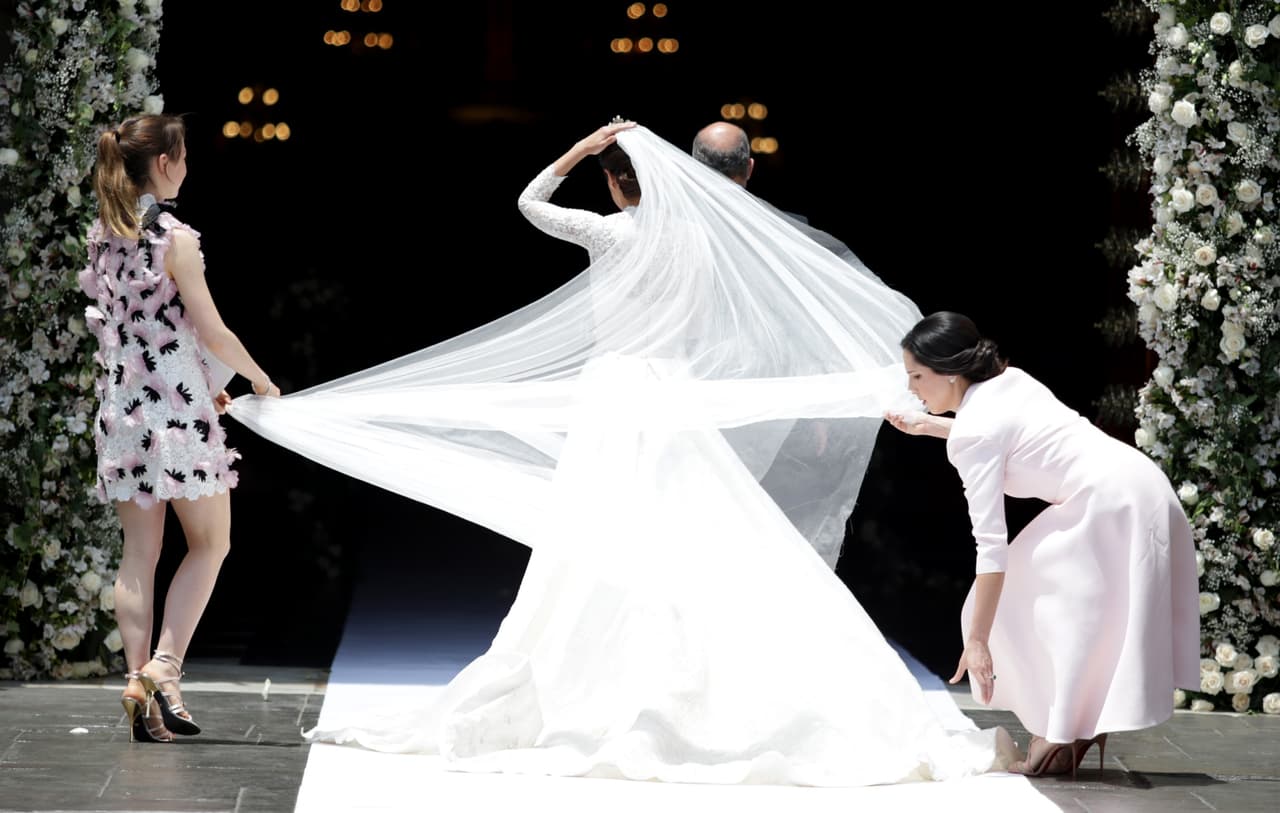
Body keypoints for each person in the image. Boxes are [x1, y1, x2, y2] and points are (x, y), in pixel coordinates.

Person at [229, 122, 1013, 785]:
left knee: (601, 550)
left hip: (614, 401)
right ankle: (694, 687)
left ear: (614, 184)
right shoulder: (710, 243)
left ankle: (612, 685)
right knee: (687, 541)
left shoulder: (612, 232)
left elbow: (529, 202)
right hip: (673, 397)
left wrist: (581, 148)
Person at [884, 311, 1200, 777]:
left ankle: (1059, 731)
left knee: (1002, 604)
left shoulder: (975, 432)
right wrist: (932, 426)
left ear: (949, 373)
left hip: (1108, 501)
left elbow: (991, 543)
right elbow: (1002, 436)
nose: (911, 388)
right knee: (1075, 605)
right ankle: (1073, 726)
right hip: (1140, 484)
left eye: (917, 376)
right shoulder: (1010, 381)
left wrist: (977, 641)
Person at [79, 113, 282, 743]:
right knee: (211, 543)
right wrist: (260, 380)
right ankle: (164, 668)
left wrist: (206, 378)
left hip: (123, 411)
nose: (188, 166)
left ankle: (140, 684)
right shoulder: (176, 240)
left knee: (138, 553)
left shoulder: (101, 237)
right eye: (185, 156)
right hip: (176, 413)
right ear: (164, 164)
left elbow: (145, 332)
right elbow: (211, 330)